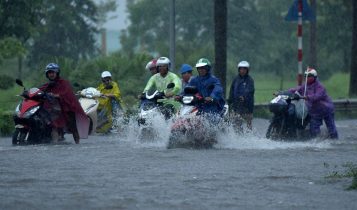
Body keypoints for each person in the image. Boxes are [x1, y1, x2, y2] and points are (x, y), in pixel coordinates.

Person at [40, 63, 89, 144]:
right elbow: (39, 90)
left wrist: (56, 95)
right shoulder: (47, 85)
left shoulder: (64, 83)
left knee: (73, 127)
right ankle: (55, 143)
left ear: (57, 73)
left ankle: (77, 144)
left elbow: (66, 94)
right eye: (49, 73)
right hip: (55, 110)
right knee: (54, 126)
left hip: (67, 108)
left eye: (53, 72)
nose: (51, 74)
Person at [288, 67, 338, 139]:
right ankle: (316, 142)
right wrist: (286, 92)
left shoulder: (320, 87)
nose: (307, 78)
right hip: (315, 112)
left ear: (314, 77)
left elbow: (318, 95)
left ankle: (335, 141)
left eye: (309, 76)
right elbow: (296, 89)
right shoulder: (305, 86)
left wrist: (308, 97)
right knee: (314, 129)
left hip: (326, 110)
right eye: (306, 76)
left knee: (331, 128)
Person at [228, 60, 255, 131]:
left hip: (247, 107)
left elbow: (250, 91)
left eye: (244, 69)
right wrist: (230, 100)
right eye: (241, 69)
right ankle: (239, 138)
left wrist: (244, 97)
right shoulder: (236, 79)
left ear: (247, 70)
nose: (242, 71)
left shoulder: (250, 80)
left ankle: (249, 138)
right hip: (237, 106)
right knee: (236, 124)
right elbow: (232, 90)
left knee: (248, 126)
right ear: (239, 70)